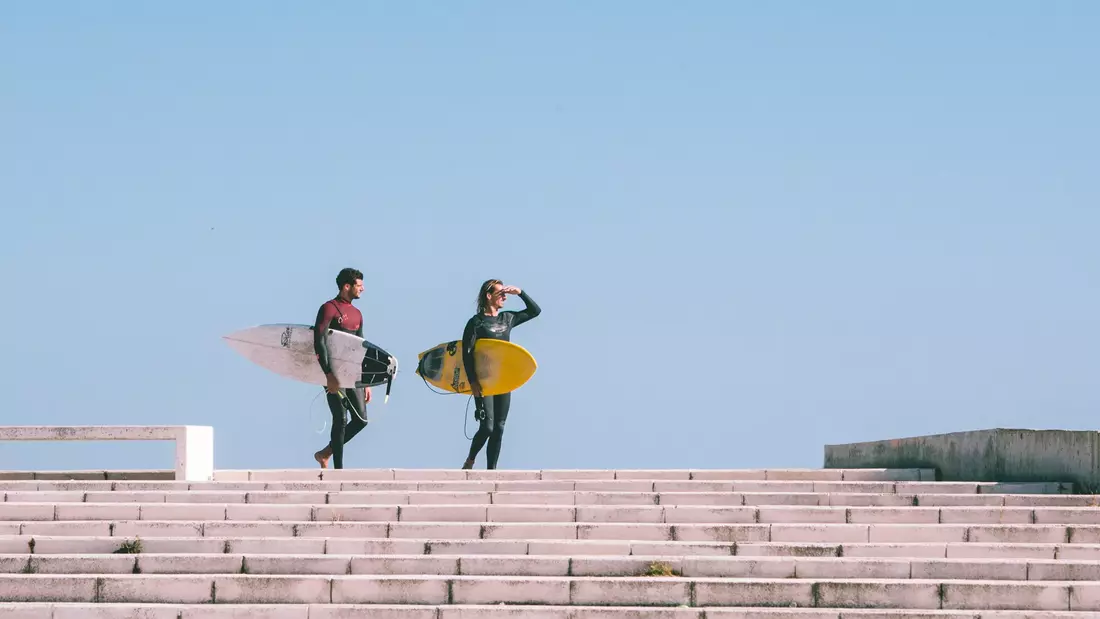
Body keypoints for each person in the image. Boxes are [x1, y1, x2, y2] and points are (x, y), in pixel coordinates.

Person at [461, 279, 541, 470]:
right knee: (487, 427)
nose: (505, 296)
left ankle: (491, 471)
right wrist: (473, 381)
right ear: (489, 296)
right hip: (485, 381)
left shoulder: (507, 319)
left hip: (504, 380)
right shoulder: (475, 323)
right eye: (500, 293)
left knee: (499, 427)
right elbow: (466, 353)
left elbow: (535, 311)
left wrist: (520, 292)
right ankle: (470, 459)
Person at [312, 267, 372, 469]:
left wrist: (366, 381)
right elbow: (319, 342)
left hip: (352, 375)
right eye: (359, 285)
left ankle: (325, 453)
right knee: (341, 419)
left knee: (361, 420)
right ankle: (339, 470)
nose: (363, 289)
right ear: (347, 286)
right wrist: (328, 375)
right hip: (332, 374)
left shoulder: (357, 314)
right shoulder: (328, 308)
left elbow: (359, 349)